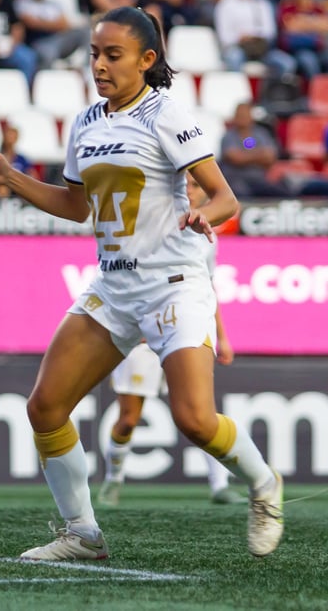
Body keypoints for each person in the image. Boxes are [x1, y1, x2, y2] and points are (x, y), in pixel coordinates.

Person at [0, 6, 283, 561]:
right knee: (45, 407)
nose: (100, 65)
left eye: (113, 55)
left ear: (146, 59)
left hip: (173, 284)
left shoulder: (167, 115)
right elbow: (74, 206)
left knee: (193, 419)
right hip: (114, 287)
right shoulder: (87, 121)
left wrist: (205, 213)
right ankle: (82, 535)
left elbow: (226, 196)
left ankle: (264, 485)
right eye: (94, 53)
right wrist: (9, 178)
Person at [98, 172, 244, 507]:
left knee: (202, 414)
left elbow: (207, 286)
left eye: (195, 186)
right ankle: (113, 479)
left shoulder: (207, 234)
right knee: (129, 419)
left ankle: (220, 485)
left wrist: (222, 336)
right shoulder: (148, 221)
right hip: (144, 337)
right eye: (186, 185)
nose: (190, 192)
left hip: (186, 327)